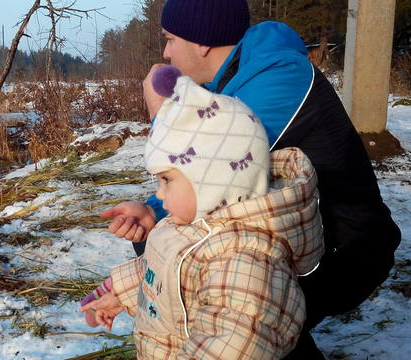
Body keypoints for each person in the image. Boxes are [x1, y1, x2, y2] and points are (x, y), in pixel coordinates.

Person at [99, 0, 401, 358]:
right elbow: (207, 184)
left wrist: (160, 109)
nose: (165, 53)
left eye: (170, 39)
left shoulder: (276, 80)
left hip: (346, 251)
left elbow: (204, 161)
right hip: (305, 237)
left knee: (240, 300)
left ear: (202, 41)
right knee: (164, 237)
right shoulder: (243, 74)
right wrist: (152, 213)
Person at [82, 73, 325, 359]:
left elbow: (231, 347)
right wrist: (120, 291)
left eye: (167, 181)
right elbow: (170, 268)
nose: (158, 194)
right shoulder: (199, 224)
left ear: (213, 182)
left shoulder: (246, 261)